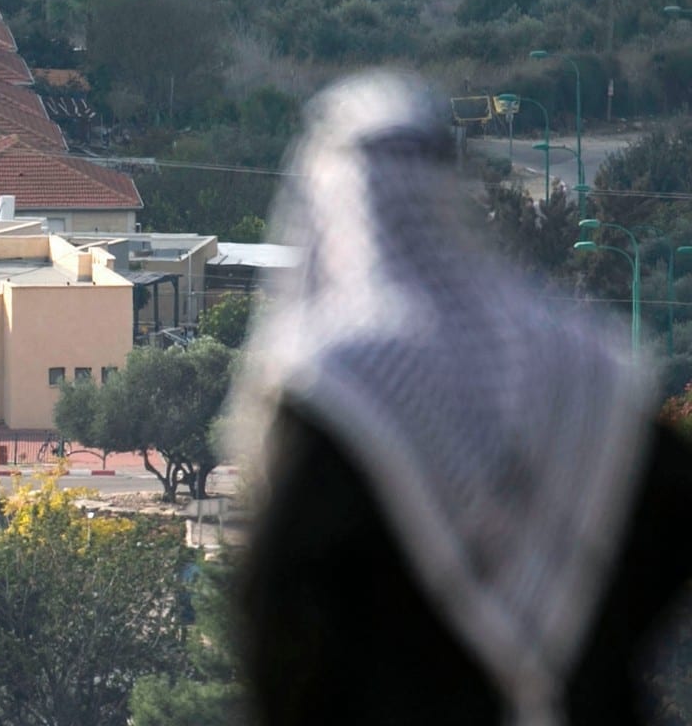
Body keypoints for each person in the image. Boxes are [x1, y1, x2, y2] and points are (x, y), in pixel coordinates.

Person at [229, 69, 692, 726]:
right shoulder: (580, 358)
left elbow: (276, 606)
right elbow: (670, 512)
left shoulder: (339, 382)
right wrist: (594, 637)